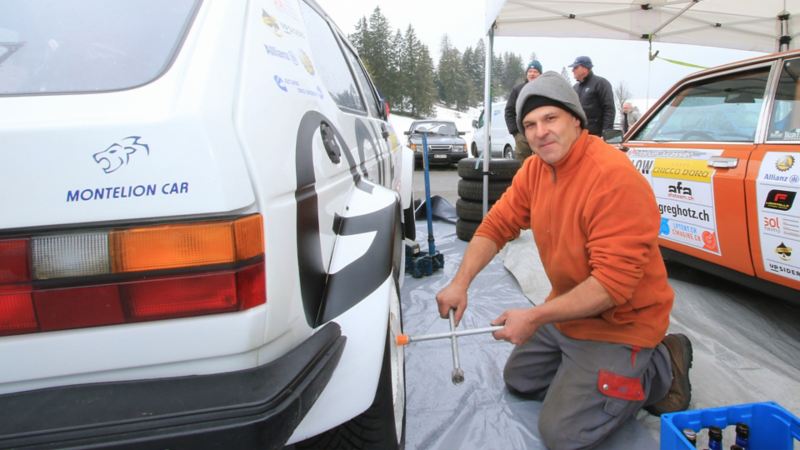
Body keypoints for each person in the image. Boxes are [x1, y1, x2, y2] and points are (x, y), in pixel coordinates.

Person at [436, 71, 693, 450]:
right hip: (569, 311)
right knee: (520, 380)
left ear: (576, 119)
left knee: (563, 433)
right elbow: (496, 224)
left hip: (622, 323)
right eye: (530, 124)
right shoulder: (535, 170)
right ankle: (582, 371)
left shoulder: (612, 178)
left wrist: (535, 317)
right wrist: (460, 282)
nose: (540, 132)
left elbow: (612, 286)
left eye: (550, 118)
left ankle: (662, 365)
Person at [505, 60, 542, 160]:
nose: (532, 74)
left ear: (540, 74)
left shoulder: (545, 89)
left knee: (542, 159)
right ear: (526, 74)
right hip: (522, 132)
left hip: (541, 130)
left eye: (535, 71)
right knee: (522, 160)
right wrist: (515, 132)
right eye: (530, 71)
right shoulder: (517, 89)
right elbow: (509, 111)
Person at [570, 56, 615, 137]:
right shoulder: (575, 88)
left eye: (576, 67)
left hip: (596, 136)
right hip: (578, 136)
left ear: (585, 68)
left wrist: (607, 134)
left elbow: (609, 109)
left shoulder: (601, 83)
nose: (572, 70)